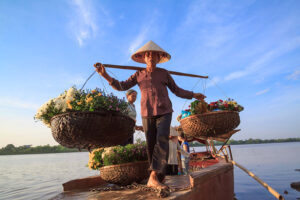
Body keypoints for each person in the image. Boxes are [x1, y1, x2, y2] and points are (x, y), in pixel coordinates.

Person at [94, 41, 206, 189]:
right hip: (147, 114)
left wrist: (193, 94)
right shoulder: (138, 74)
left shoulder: (164, 73)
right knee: (151, 147)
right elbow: (122, 86)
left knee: (162, 140)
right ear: (144, 58)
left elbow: (177, 90)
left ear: (159, 58)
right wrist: (105, 75)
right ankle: (158, 176)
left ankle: (152, 177)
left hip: (165, 111)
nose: (151, 56)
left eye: (154, 54)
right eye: (148, 54)